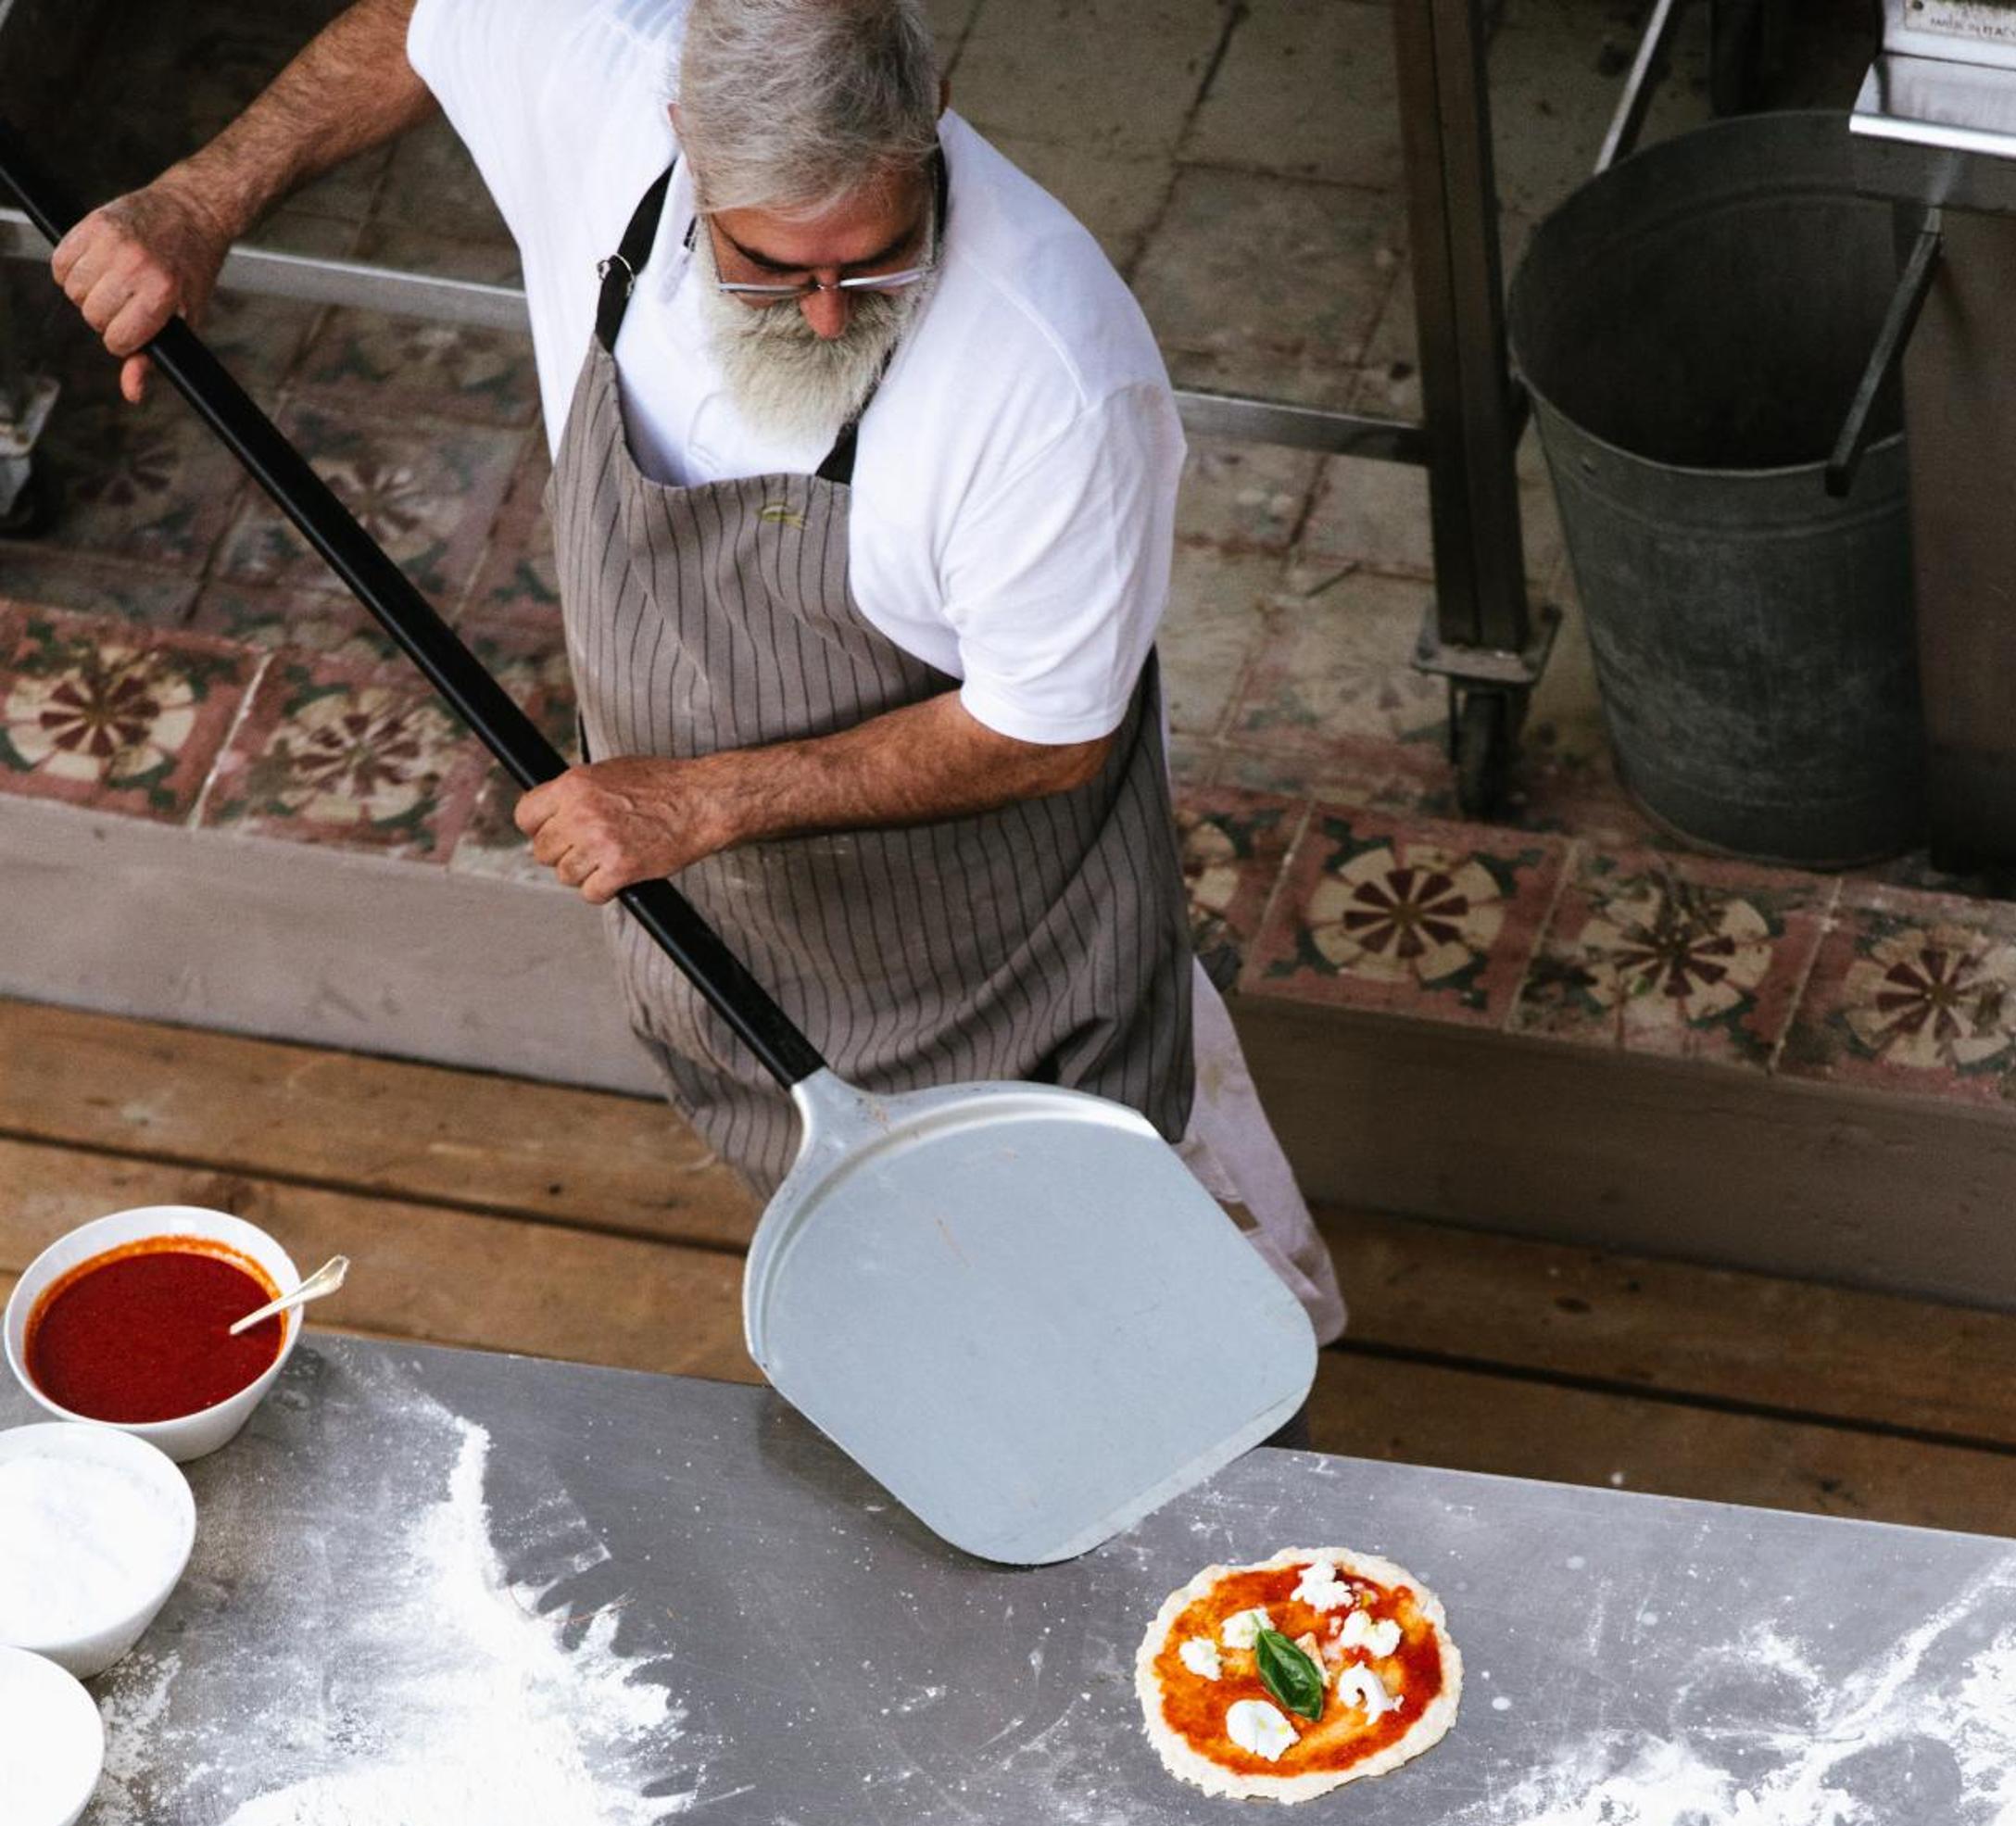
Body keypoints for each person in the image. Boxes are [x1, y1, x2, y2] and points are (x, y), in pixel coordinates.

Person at [52, 0, 1344, 1344]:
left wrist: (700, 803)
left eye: (877, 260)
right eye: (770, 269)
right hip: (732, 961)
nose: (829, 316)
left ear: (932, 117)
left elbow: (1049, 734)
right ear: (686, 140)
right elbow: (427, 15)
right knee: (908, 1302)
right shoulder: (604, 87)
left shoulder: (1051, 378)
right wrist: (201, 199)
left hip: (1007, 983)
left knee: (1145, 1310)